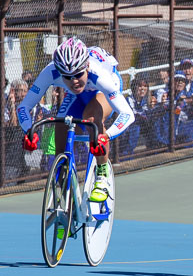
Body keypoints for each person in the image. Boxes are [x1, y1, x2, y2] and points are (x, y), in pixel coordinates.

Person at [18, 38, 135, 202]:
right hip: (77, 95)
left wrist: (106, 136)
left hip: (100, 92)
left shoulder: (99, 75)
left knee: (91, 118)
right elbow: (23, 107)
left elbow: (128, 114)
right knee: (61, 123)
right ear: (59, 71)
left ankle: (101, 176)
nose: (73, 80)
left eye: (78, 74)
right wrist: (29, 131)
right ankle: (62, 185)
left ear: (86, 66)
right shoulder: (51, 71)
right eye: (67, 76)